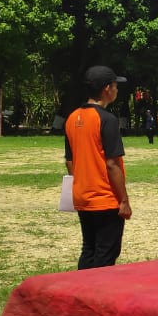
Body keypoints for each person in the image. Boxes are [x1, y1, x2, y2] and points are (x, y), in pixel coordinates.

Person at [64, 65, 132, 269]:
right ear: (107, 89)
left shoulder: (72, 117)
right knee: (105, 253)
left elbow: (70, 160)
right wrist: (124, 200)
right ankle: (96, 296)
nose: (117, 90)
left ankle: (80, 293)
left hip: (82, 195)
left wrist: (82, 182)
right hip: (104, 198)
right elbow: (112, 164)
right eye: (115, 86)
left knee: (89, 249)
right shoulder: (107, 120)